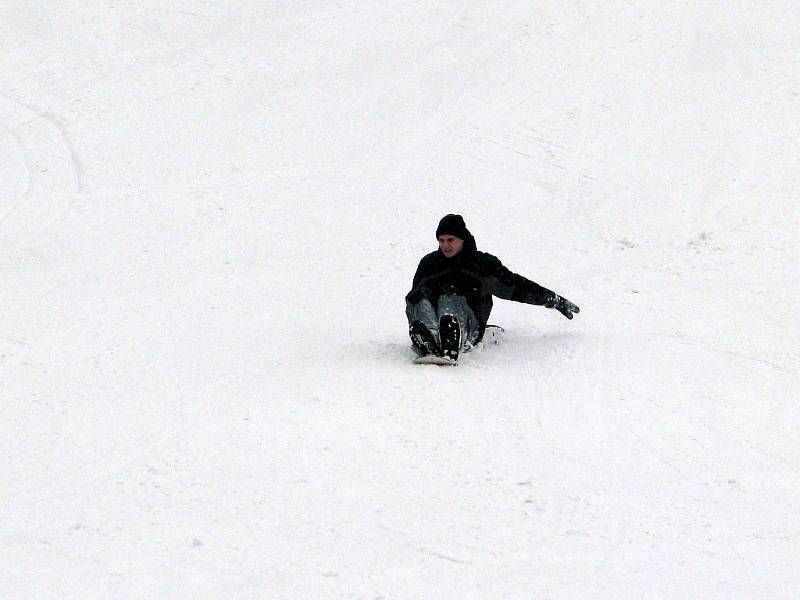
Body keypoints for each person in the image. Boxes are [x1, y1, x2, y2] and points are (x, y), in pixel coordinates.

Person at [405, 214, 580, 360]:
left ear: (462, 239)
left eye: (450, 240)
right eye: (441, 240)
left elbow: (515, 286)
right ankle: (427, 335)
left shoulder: (481, 264)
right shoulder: (429, 263)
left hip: (468, 320)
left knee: (449, 297)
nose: (445, 245)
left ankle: (451, 335)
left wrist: (553, 299)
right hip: (433, 318)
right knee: (419, 297)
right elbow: (416, 298)